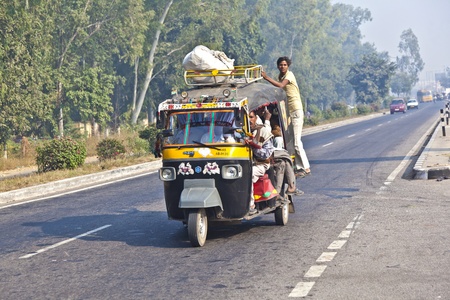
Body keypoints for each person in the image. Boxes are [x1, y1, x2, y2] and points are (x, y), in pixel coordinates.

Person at [261, 56, 311, 177]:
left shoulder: (289, 75)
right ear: (278, 66)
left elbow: (279, 86)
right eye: (280, 65)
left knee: (296, 142)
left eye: (284, 65)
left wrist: (266, 77)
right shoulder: (281, 76)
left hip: (296, 110)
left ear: (288, 66)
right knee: (290, 140)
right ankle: (298, 166)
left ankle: (305, 167)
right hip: (288, 112)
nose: (282, 67)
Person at [246, 110, 274, 214]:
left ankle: (250, 205)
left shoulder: (264, 131)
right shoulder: (239, 132)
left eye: (251, 117)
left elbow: (267, 154)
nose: (249, 120)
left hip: (260, 164)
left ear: (256, 118)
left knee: (248, 174)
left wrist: (253, 146)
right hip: (242, 164)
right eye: (246, 117)